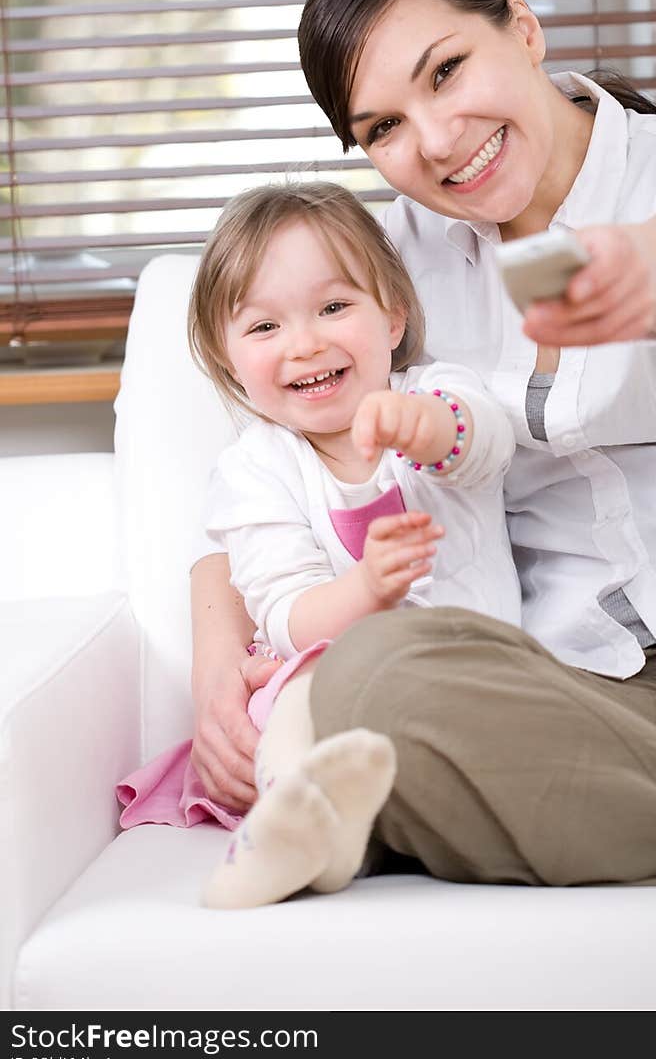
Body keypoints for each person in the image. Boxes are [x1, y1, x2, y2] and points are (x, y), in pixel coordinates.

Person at [189, 0, 656, 886]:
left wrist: (626, 269)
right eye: (382, 127)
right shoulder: (388, 270)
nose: (433, 142)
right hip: (600, 700)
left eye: (446, 71)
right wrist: (216, 664)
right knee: (372, 682)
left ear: (522, 29)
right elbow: (270, 462)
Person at [117, 180, 520, 907]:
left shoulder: (435, 395)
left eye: (334, 308)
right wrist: (366, 591)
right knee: (295, 684)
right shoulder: (253, 470)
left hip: (472, 681)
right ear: (226, 355)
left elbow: (483, 441)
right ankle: (294, 828)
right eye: (265, 327)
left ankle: (334, 840)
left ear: (393, 317)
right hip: (344, 695)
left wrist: (427, 428)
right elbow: (285, 612)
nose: (306, 343)